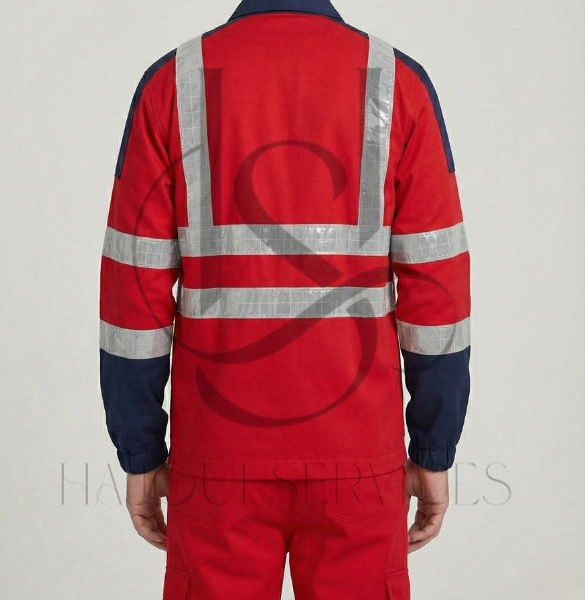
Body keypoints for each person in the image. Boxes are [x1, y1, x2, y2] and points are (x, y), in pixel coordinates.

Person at [99, 0, 471, 597]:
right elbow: (438, 292)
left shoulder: (172, 82)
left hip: (217, 456)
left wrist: (140, 452)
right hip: (358, 455)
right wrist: (433, 448)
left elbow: (131, 294)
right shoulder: (398, 81)